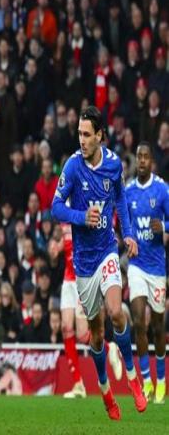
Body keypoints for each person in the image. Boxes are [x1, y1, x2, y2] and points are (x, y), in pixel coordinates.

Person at [51, 106, 146, 420]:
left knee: (116, 312)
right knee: (95, 334)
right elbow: (55, 207)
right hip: (83, 264)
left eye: (87, 134)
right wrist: (81, 217)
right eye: (79, 134)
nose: (82, 140)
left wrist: (127, 233)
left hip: (106, 250)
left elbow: (120, 198)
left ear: (100, 136)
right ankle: (105, 391)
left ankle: (132, 378)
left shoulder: (114, 164)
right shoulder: (72, 167)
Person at [126, 143, 169, 404]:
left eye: (145, 156)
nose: (142, 160)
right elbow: (124, 223)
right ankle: (146, 381)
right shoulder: (128, 191)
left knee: (157, 327)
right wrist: (127, 238)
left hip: (157, 268)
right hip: (137, 266)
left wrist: (163, 225)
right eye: (139, 156)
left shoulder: (162, 189)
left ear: (151, 161)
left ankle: (161, 380)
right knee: (138, 322)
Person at [58, 223, 122, 399]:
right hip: (68, 279)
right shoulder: (63, 215)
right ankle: (78, 384)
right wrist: (57, 246)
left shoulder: (86, 210)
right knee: (65, 328)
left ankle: (109, 348)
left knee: (82, 334)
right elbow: (64, 239)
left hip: (84, 275)